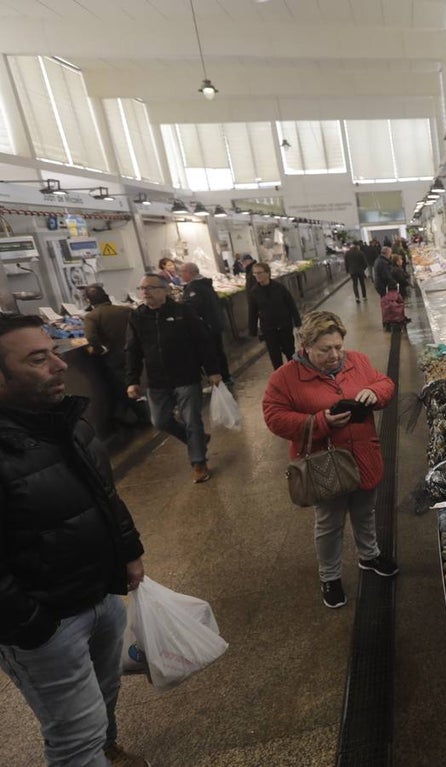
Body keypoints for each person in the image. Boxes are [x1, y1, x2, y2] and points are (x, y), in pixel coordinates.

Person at [0, 314, 148, 767]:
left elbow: (104, 492)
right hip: (45, 621)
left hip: (100, 594)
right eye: (38, 359)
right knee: (74, 736)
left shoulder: (65, 421)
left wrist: (128, 550)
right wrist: (31, 623)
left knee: (104, 696)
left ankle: (109, 750)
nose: (60, 365)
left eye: (54, 352)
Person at [262, 310, 398, 608]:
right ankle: (330, 577)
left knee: (365, 511)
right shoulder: (285, 379)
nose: (336, 355)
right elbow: (274, 418)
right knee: (329, 523)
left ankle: (369, 555)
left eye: (338, 346)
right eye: (326, 350)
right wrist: (321, 421)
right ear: (306, 346)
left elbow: (385, 384)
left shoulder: (357, 360)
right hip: (325, 464)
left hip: (363, 454)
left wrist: (373, 393)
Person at [126, 273, 222, 484]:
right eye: (142, 289)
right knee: (160, 421)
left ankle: (198, 462)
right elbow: (132, 350)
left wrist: (213, 370)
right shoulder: (138, 316)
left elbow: (202, 342)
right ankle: (196, 441)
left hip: (186, 376)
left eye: (150, 288)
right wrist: (132, 380)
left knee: (192, 420)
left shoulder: (182, 311)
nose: (145, 293)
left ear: (165, 290)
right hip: (157, 381)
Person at [82, 285, 142, 427]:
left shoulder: (92, 316)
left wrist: (101, 349)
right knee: (132, 385)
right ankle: (124, 416)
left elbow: (91, 339)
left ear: (88, 300)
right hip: (135, 353)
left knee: (124, 389)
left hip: (114, 358)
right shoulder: (126, 310)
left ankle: (144, 417)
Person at [179, 262, 232, 385]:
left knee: (211, 353)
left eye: (182, 272)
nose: (180, 275)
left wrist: (181, 305)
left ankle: (220, 380)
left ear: (189, 272)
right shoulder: (205, 284)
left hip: (206, 326)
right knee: (218, 351)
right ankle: (225, 377)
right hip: (215, 323)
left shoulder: (194, 287)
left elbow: (192, 307)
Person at [248, 261, 302, 370]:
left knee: (289, 351)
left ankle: (294, 373)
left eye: (259, 273)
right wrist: (253, 330)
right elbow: (252, 312)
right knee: (274, 355)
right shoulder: (254, 292)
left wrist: (297, 322)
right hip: (269, 328)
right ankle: (280, 378)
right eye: (255, 274)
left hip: (284, 325)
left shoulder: (279, 288)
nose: (257, 276)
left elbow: (291, 305)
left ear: (267, 273)